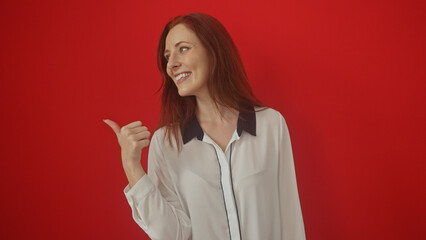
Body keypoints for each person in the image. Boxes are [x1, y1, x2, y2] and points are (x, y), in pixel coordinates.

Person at [104, 12, 305, 240]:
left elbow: (290, 220)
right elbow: (171, 235)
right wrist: (131, 166)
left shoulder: (271, 125)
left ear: (213, 50)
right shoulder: (166, 142)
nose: (171, 65)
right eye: (167, 57)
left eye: (183, 49)